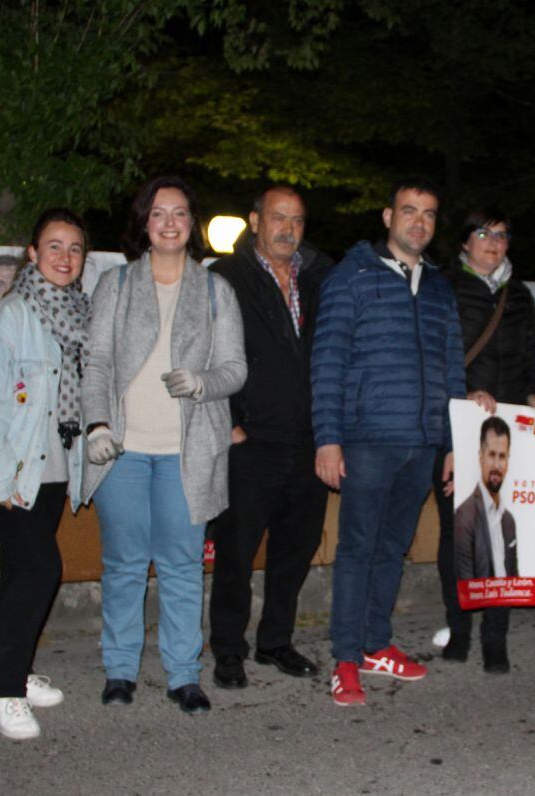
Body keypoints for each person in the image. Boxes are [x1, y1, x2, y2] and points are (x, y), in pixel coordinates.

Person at [81, 176, 246, 714]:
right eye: (158, 213)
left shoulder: (217, 291)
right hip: (123, 450)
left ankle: (182, 675)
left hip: (188, 450)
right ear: (144, 224)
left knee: (180, 565)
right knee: (124, 564)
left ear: (191, 223)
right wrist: (97, 425)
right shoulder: (117, 285)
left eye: (179, 212)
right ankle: (120, 671)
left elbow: (235, 369)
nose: (169, 222)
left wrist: (202, 383)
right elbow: (97, 363)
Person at [312, 178, 467, 706]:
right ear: (387, 216)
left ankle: (376, 643)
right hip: (367, 441)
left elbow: (452, 371)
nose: (419, 222)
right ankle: (346, 659)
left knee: (392, 549)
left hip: (422, 442)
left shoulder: (441, 287)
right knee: (357, 550)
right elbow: (327, 362)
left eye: (428, 213)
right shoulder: (351, 277)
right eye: (409, 211)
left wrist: (453, 443)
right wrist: (328, 439)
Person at [0, 208, 89, 740]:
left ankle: (15, 672)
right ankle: (4, 694)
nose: (64, 257)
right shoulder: (10, 316)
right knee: (39, 568)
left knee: (20, 572)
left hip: (52, 469)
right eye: (53, 246)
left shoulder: (77, 313)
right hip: (10, 471)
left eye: (74, 248)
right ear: (32, 254)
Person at [207, 186, 333, 689]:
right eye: (278, 218)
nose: (288, 228)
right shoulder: (223, 278)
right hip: (250, 441)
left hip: (308, 440)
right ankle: (228, 649)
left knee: (294, 551)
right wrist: (227, 421)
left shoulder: (322, 277)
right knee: (235, 553)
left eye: (298, 220)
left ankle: (276, 641)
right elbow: (203, 353)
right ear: (254, 221)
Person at [433, 208, 535, 672]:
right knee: (459, 535)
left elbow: (527, 363)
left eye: (502, 235)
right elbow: (434, 357)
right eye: (483, 233)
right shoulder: (441, 287)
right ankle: (461, 628)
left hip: (508, 434)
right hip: (458, 427)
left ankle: (496, 636)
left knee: (508, 531)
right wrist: (462, 392)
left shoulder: (520, 295)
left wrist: (534, 396)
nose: (493, 242)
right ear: (465, 242)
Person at [453, 420, 519, 644]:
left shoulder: (509, 520)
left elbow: (512, 575)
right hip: (478, 598)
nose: (497, 464)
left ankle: (497, 637)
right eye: (492, 454)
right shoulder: (465, 515)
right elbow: (465, 579)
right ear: (481, 456)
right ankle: (465, 636)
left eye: (503, 456)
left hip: (500, 605)